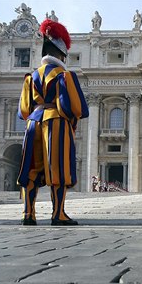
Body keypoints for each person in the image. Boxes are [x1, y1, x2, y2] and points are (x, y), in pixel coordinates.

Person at [17, 18, 89, 226]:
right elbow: (74, 107)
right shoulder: (63, 75)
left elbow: (23, 109)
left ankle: (28, 214)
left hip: (33, 123)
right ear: (62, 54)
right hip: (55, 122)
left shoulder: (30, 78)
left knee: (30, 168)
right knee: (58, 168)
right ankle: (58, 214)